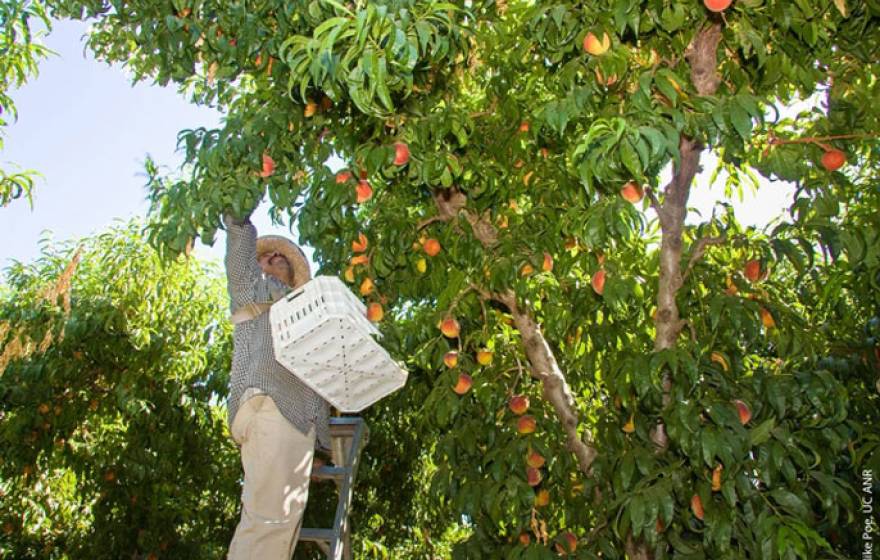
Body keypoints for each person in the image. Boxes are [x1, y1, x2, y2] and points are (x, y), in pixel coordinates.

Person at [223, 210, 331, 559]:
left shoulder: (305, 315)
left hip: (293, 421)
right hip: (271, 405)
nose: (270, 260)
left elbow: (315, 385)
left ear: (292, 272)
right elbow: (240, 251)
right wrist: (238, 214)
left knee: (277, 525)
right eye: (264, 257)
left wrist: (319, 447)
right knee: (270, 525)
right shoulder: (253, 290)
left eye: (279, 257)